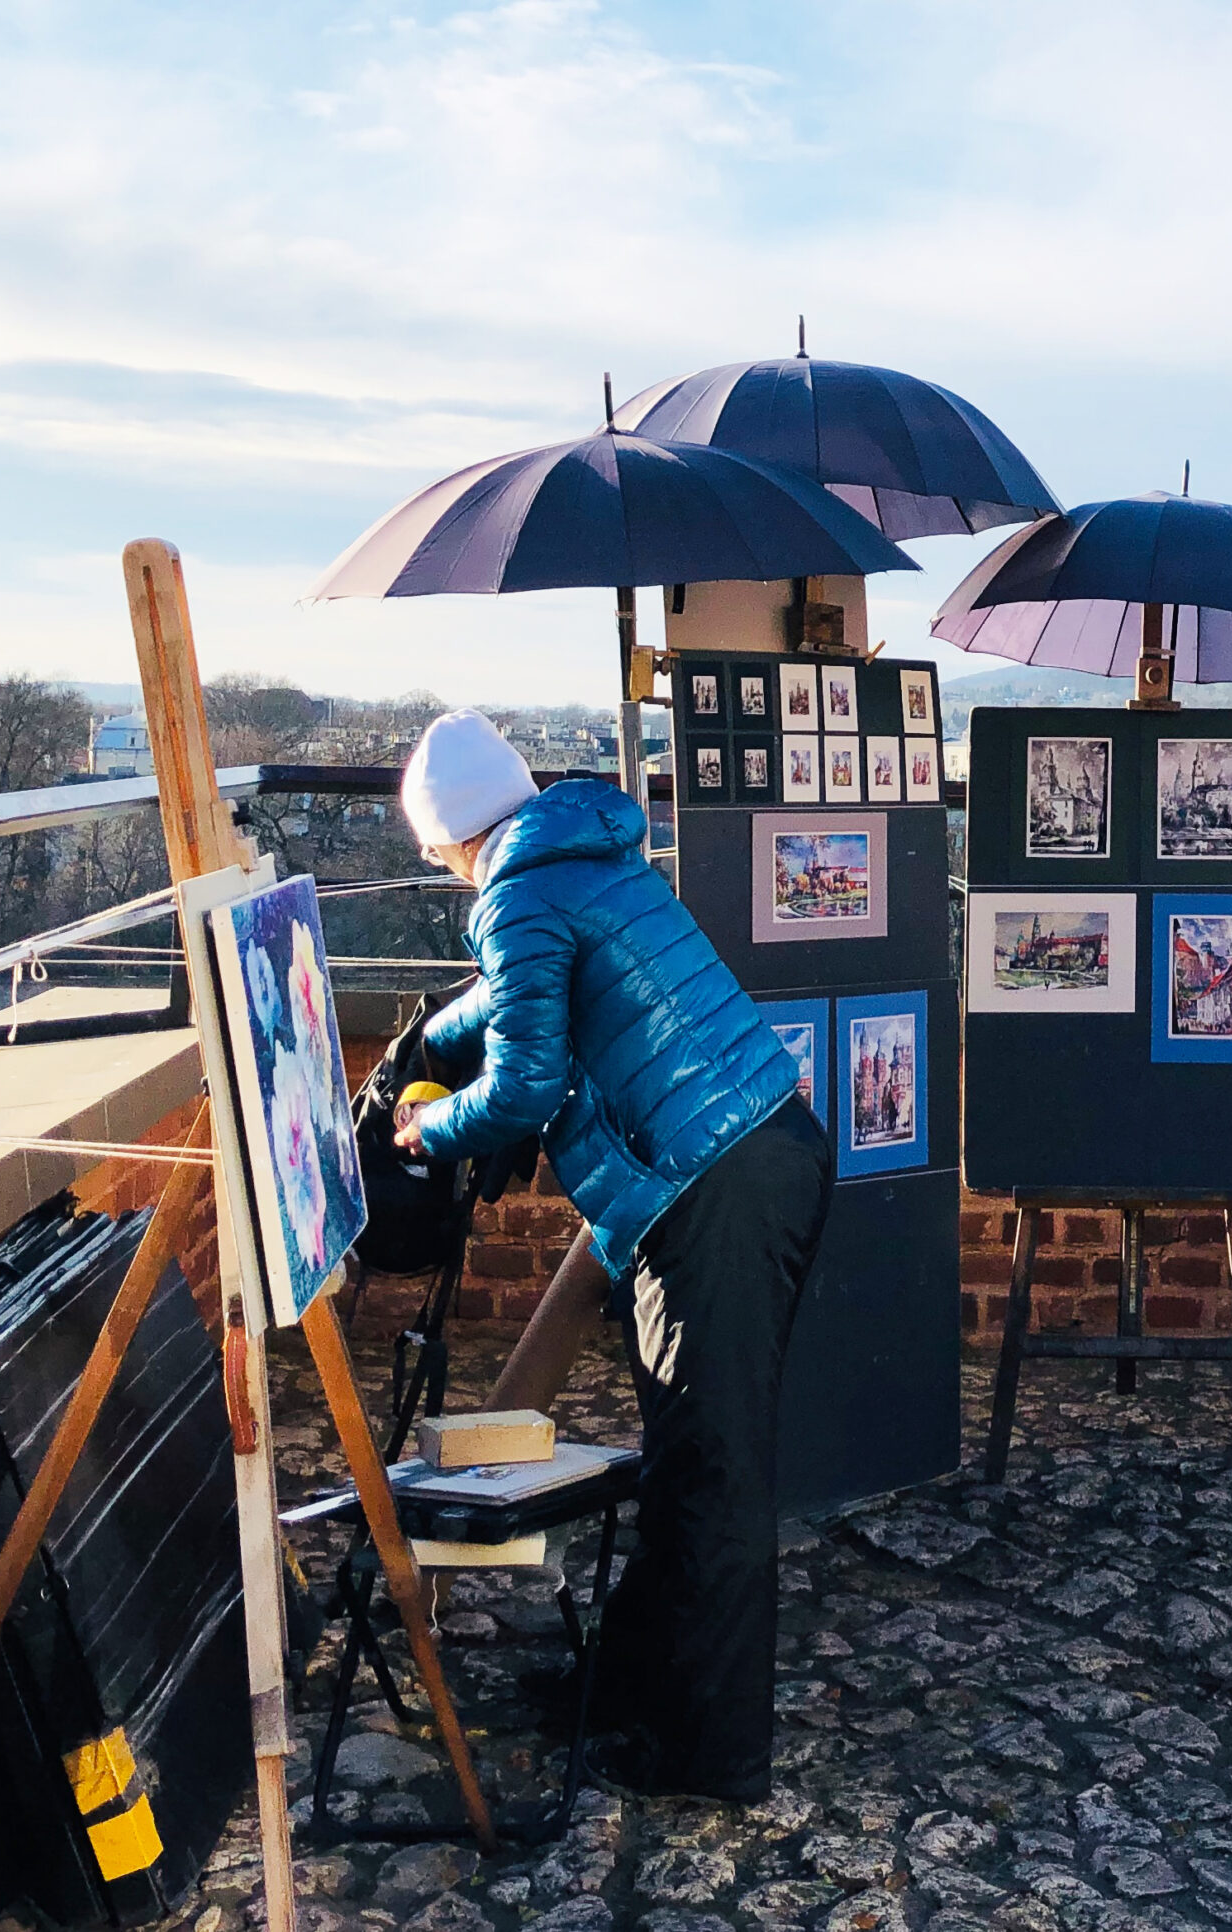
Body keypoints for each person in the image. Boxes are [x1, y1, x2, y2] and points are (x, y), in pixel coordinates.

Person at [391, 709, 831, 1802]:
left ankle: (704, 1756)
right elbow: (509, 1002)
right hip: (744, 1156)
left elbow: (526, 1084)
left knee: (713, 1479)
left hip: (710, 1183)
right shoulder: (576, 854)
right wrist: (418, 1047)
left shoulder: (518, 891)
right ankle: (628, 1690)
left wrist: (424, 1126)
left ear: (448, 837)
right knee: (685, 1460)